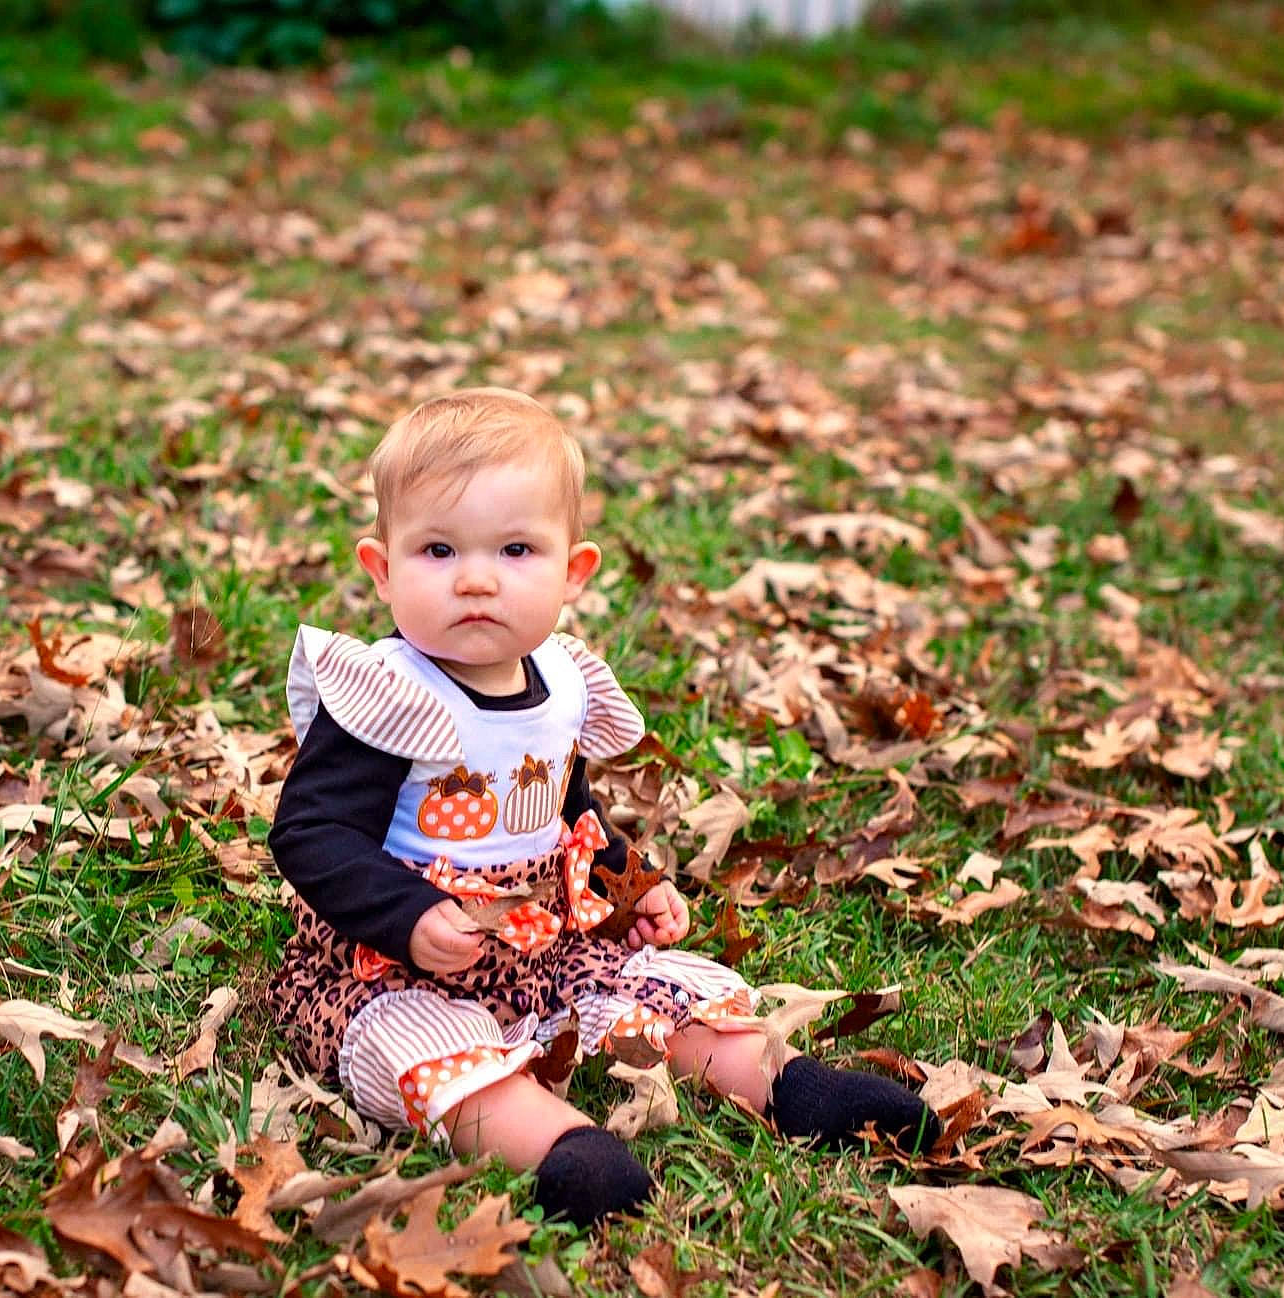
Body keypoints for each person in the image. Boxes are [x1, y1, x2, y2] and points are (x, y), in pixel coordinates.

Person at [266, 388, 938, 1227]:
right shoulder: (389, 694)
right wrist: (409, 917)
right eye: (438, 550)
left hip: (541, 950)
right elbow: (311, 831)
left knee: (646, 994)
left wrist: (631, 883)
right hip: (402, 966)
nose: (476, 578)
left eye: (515, 549)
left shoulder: (558, 683)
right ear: (382, 568)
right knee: (440, 1059)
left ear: (572, 572)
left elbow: (563, 813)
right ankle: (560, 1146)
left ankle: (786, 1084)